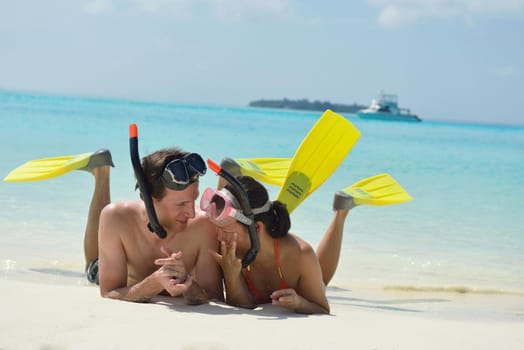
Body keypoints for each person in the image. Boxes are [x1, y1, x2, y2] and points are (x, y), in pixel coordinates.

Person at [82, 148, 223, 303]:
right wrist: (154, 283)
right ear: (150, 198)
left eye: (193, 200)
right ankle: (101, 173)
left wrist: (187, 284)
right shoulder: (117, 217)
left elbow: (214, 297)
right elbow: (109, 291)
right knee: (93, 267)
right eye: (181, 204)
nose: (192, 213)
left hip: (140, 286)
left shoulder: (204, 226)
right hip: (118, 276)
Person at [202, 175, 343, 314]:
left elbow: (322, 309)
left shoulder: (300, 255)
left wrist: (300, 303)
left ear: (257, 228)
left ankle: (341, 213)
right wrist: (231, 275)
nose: (219, 238)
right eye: (218, 228)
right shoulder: (231, 250)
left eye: (225, 230)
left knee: (322, 280)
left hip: (303, 263)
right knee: (318, 277)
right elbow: (242, 306)